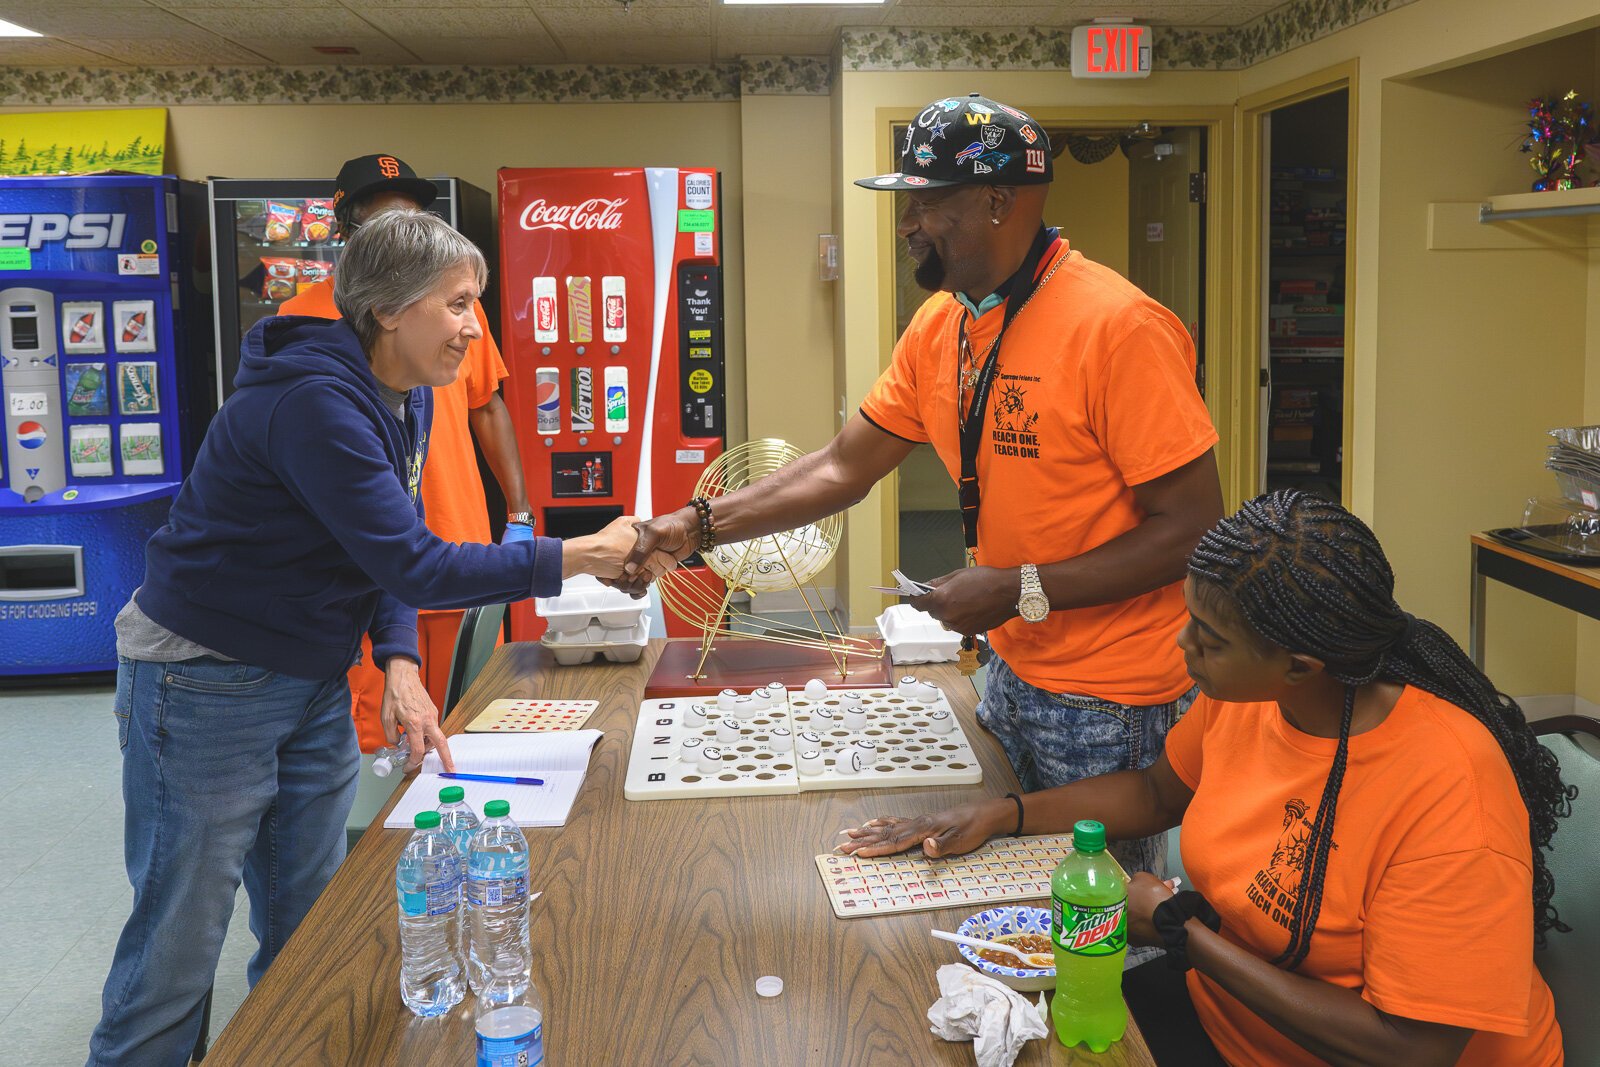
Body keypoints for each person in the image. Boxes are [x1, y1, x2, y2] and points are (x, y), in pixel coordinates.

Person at [90, 209, 671, 1066]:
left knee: (306, 918)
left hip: (310, 674)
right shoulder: (311, 402)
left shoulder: (405, 394)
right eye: (459, 303)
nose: (475, 325)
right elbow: (417, 561)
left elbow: (377, 549)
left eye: (476, 303)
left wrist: (399, 659)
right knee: (179, 937)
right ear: (391, 309)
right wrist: (583, 552)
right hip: (206, 682)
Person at [625, 93, 1222, 886]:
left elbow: (1192, 529)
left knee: (1091, 926)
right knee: (1000, 900)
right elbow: (844, 465)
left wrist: (1021, 588)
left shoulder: (1118, 326)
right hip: (1013, 671)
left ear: (998, 201)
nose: (907, 224)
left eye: (926, 202)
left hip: (1112, 700)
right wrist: (697, 525)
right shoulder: (945, 324)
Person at [841, 491, 1570, 1066]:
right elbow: (1157, 792)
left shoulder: (1448, 786)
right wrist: (1003, 813)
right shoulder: (1256, 700)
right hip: (1231, 1019)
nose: (1181, 643)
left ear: (1301, 663)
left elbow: (1409, 1048)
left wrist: (1178, 927)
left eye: (1209, 638)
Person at [281, 152, 528, 753]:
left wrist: (519, 516)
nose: (466, 324)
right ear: (347, 235)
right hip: (368, 562)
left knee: (474, 716)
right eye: (383, 225)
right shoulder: (304, 324)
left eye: (414, 222)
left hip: (457, 542)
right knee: (388, 740)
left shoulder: (455, 314)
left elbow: (486, 404)